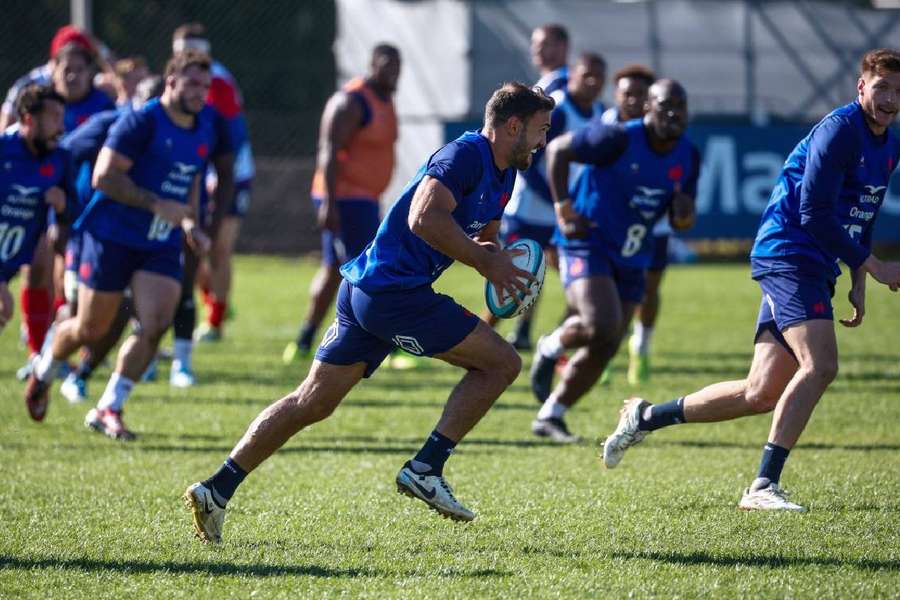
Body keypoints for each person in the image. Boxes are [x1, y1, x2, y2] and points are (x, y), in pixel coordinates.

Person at [184, 82, 553, 543]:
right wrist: (486, 263)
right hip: (396, 295)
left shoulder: (505, 172)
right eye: (540, 130)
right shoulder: (465, 156)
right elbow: (424, 217)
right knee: (502, 363)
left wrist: (499, 266)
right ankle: (427, 467)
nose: (543, 141)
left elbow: (484, 235)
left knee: (311, 402)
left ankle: (215, 489)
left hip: (367, 290)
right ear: (512, 126)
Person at [602, 49, 900, 512]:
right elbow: (814, 213)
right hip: (789, 252)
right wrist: (875, 265)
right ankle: (763, 485)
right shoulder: (839, 131)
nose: (890, 99)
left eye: (899, 92)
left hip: (815, 261)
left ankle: (645, 417)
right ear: (861, 87)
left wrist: (859, 272)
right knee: (820, 365)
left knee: (760, 391)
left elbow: (866, 204)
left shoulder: (890, 143)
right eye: (882, 88)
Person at [25, 51, 215, 438]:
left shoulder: (202, 127)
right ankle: (44, 369)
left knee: (156, 321)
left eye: (206, 86)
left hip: (159, 242)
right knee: (90, 328)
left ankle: (109, 406)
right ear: (171, 81)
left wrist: (191, 221)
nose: (200, 93)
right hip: (111, 236)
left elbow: (191, 178)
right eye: (193, 84)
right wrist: (155, 203)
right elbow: (104, 177)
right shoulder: (141, 122)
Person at [530, 79, 699, 443]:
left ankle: (552, 414)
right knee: (598, 323)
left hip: (632, 254)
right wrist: (563, 210)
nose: (673, 113)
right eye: (665, 105)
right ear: (647, 109)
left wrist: (684, 216)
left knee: (608, 343)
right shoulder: (618, 137)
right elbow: (557, 150)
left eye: (680, 106)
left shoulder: (689, 154)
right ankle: (550, 345)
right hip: (587, 241)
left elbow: (682, 215)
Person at [282, 44, 401, 363]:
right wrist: (330, 203)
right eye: (386, 65)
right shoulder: (351, 101)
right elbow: (329, 151)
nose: (392, 71)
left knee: (335, 268)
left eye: (397, 66)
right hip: (347, 199)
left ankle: (304, 340)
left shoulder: (386, 100)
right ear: (371, 64)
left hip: (365, 198)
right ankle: (387, 345)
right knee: (371, 270)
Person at [54, 75, 165, 403]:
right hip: (95, 232)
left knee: (138, 312)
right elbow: (64, 155)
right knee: (86, 318)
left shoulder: (180, 132)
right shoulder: (110, 125)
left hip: (149, 239)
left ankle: (89, 381)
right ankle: (47, 362)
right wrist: (63, 208)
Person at [493, 52, 607, 350]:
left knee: (581, 280)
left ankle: (553, 341)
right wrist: (557, 196)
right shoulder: (558, 109)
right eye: (587, 75)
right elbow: (528, 158)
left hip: (562, 212)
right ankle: (482, 332)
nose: (593, 82)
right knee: (516, 278)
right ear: (574, 76)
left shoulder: (600, 113)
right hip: (530, 208)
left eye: (599, 76)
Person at [168, 23, 247, 346]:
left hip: (231, 176)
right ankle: (210, 298)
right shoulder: (175, 81)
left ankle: (215, 320)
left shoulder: (220, 83)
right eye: (184, 49)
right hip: (192, 174)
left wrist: (216, 178)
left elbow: (233, 139)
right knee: (193, 246)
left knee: (219, 247)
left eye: (197, 49)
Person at [0, 86, 72, 355]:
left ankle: (38, 355)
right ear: (29, 119)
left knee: (43, 257)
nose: (61, 127)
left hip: (16, 253)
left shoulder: (61, 158)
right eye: (54, 117)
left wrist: (63, 205)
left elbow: (72, 212)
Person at [531, 24, 570, 96]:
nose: (537, 50)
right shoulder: (547, 82)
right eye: (535, 44)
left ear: (562, 47)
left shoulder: (565, 83)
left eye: (545, 44)